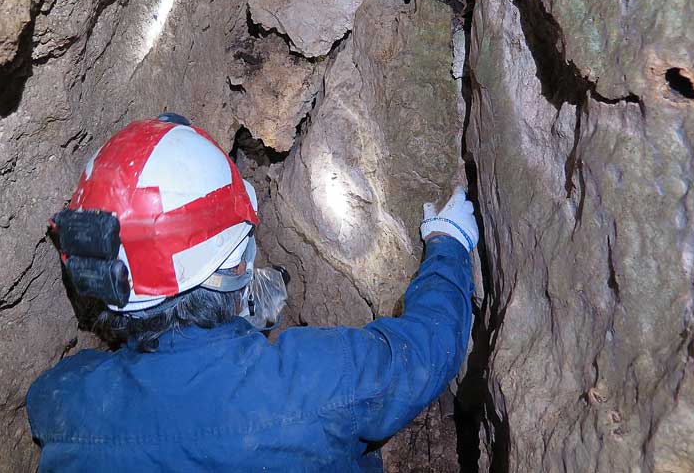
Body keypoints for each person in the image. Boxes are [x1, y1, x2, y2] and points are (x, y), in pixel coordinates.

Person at [26, 113, 478, 472]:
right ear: (232, 270)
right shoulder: (314, 384)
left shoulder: (65, 402)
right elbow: (427, 348)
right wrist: (448, 243)